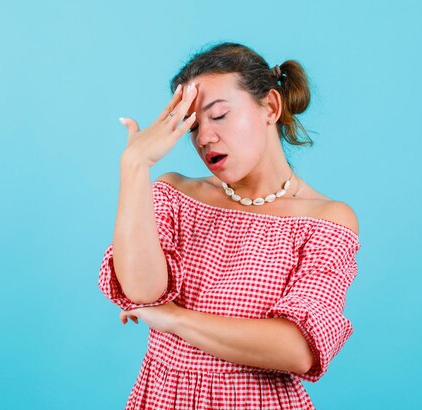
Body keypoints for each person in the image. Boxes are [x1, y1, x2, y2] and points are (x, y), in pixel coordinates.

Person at [97, 42, 361, 410]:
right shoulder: (175, 194)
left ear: (270, 107)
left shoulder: (325, 219)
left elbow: (298, 349)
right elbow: (142, 291)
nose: (204, 138)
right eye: (192, 125)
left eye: (218, 115)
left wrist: (173, 318)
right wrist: (135, 165)